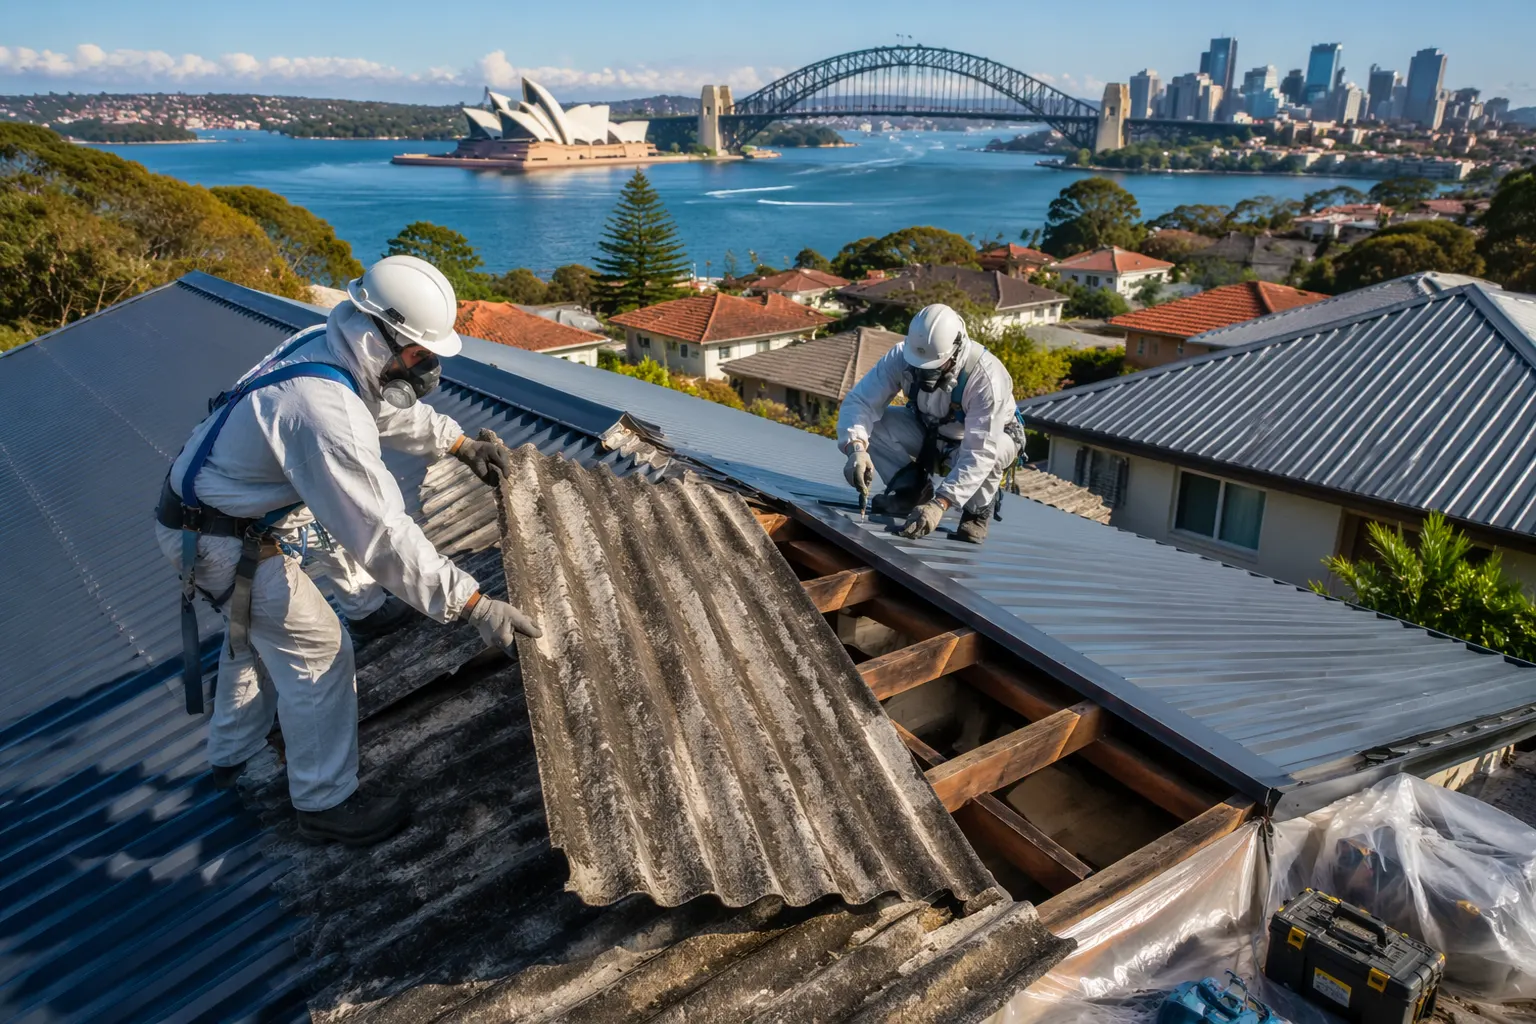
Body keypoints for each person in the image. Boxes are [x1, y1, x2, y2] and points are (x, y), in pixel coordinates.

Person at [155, 254, 541, 847]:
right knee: (317, 651)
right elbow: (380, 531)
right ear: (378, 335)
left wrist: (456, 442)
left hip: (225, 518)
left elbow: (382, 407)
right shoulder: (319, 409)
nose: (428, 368)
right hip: (220, 541)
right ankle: (324, 802)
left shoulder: (328, 342)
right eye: (419, 355)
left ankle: (229, 760)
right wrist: (472, 604)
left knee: (256, 641)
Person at [838, 303, 1022, 545]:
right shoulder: (902, 356)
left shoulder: (986, 378)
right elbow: (861, 402)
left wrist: (940, 504)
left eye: (934, 367)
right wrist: (856, 449)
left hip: (981, 439)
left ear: (956, 350)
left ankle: (977, 512)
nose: (925, 374)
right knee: (875, 425)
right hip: (929, 429)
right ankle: (911, 490)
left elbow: (980, 451)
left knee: (994, 451)